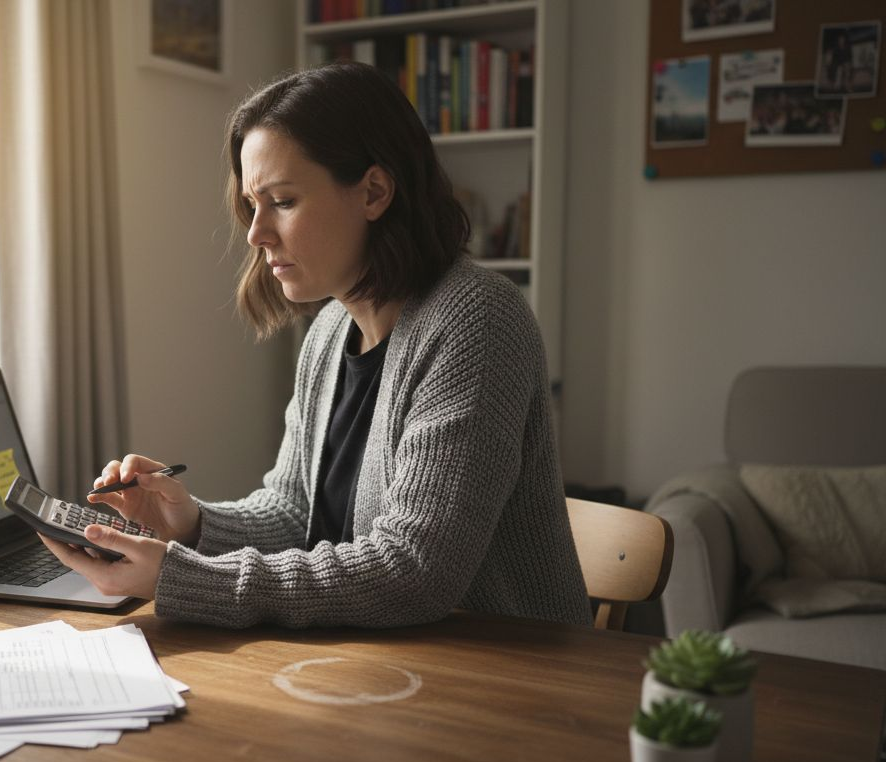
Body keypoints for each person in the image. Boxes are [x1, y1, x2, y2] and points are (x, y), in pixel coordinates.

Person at [38, 61, 592, 629]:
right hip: (378, 659)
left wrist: (182, 577)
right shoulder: (329, 332)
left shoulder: (477, 321)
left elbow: (413, 572)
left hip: (509, 671)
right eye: (252, 205)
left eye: (282, 201)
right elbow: (294, 513)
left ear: (374, 192)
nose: (256, 233)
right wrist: (190, 524)